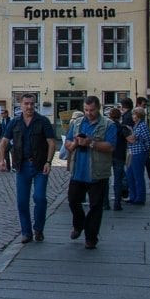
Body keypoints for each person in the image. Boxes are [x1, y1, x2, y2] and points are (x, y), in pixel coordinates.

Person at [0, 93, 56, 244]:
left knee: (40, 198)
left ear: (35, 104)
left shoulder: (43, 121)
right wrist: (1, 161)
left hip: (39, 165)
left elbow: (51, 143)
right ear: (21, 105)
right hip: (22, 166)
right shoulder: (15, 123)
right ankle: (26, 232)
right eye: (26, 104)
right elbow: (3, 142)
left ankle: (38, 228)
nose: (29, 106)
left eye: (31, 104)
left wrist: (49, 162)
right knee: (22, 202)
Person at [64, 95, 117, 249]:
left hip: (98, 172)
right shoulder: (77, 122)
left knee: (95, 207)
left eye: (92, 110)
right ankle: (79, 224)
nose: (88, 113)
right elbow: (67, 142)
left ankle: (91, 238)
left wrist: (91, 143)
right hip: (78, 171)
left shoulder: (108, 125)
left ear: (98, 108)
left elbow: (110, 146)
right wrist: (74, 143)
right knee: (73, 200)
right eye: (86, 110)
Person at [125, 107, 150, 206]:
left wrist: (146, 150)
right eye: (133, 114)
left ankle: (140, 198)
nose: (133, 116)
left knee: (138, 176)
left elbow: (148, 140)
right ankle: (133, 196)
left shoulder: (142, 126)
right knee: (130, 175)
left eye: (134, 115)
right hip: (132, 152)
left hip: (139, 153)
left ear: (139, 116)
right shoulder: (136, 126)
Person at [107, 107, 131, 211]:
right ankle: (117, 203)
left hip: (107, 155)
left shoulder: (107, 127)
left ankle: (105, 203)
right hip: (119, 155)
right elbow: (131, 139)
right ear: (120, 117)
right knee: (118, 180)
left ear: (110, 116)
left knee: (104, 179)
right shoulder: (122, 128)